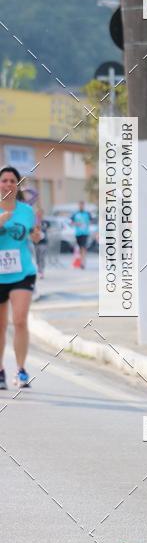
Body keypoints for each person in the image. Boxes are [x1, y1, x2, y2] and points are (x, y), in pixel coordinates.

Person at [0, 166, 41, 389]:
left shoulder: (26, 211)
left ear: (17, 185)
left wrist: (37, 235)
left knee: (20, 320)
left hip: (22, 273)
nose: (8, 184)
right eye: (4, 180)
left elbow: (34, 236)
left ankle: (21, 369)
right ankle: (0, 371)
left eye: (12, 181)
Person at [71, 200, 91, 269]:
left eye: (82, 205)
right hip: (78, 233)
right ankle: (81, 261)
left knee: (83, 248)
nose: (81, 206)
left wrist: (87, 224)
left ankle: (83, 263)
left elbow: (91, 221)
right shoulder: (75, 214)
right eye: (80, 205)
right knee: (80, 248)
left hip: (85, 233)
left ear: (84, 206)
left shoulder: (87, 213)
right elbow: (71, 222)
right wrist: (76, 224)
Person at [34, 206, 49, 280]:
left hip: (43, 242)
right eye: (37, 213)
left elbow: (48, 229)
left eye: (40, 213)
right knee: (37, 258)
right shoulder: (33, 222)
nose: (39, 214)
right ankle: (39, 269)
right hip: (36, 243)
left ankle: (41, 271)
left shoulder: (45, 222)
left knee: (42, 257)